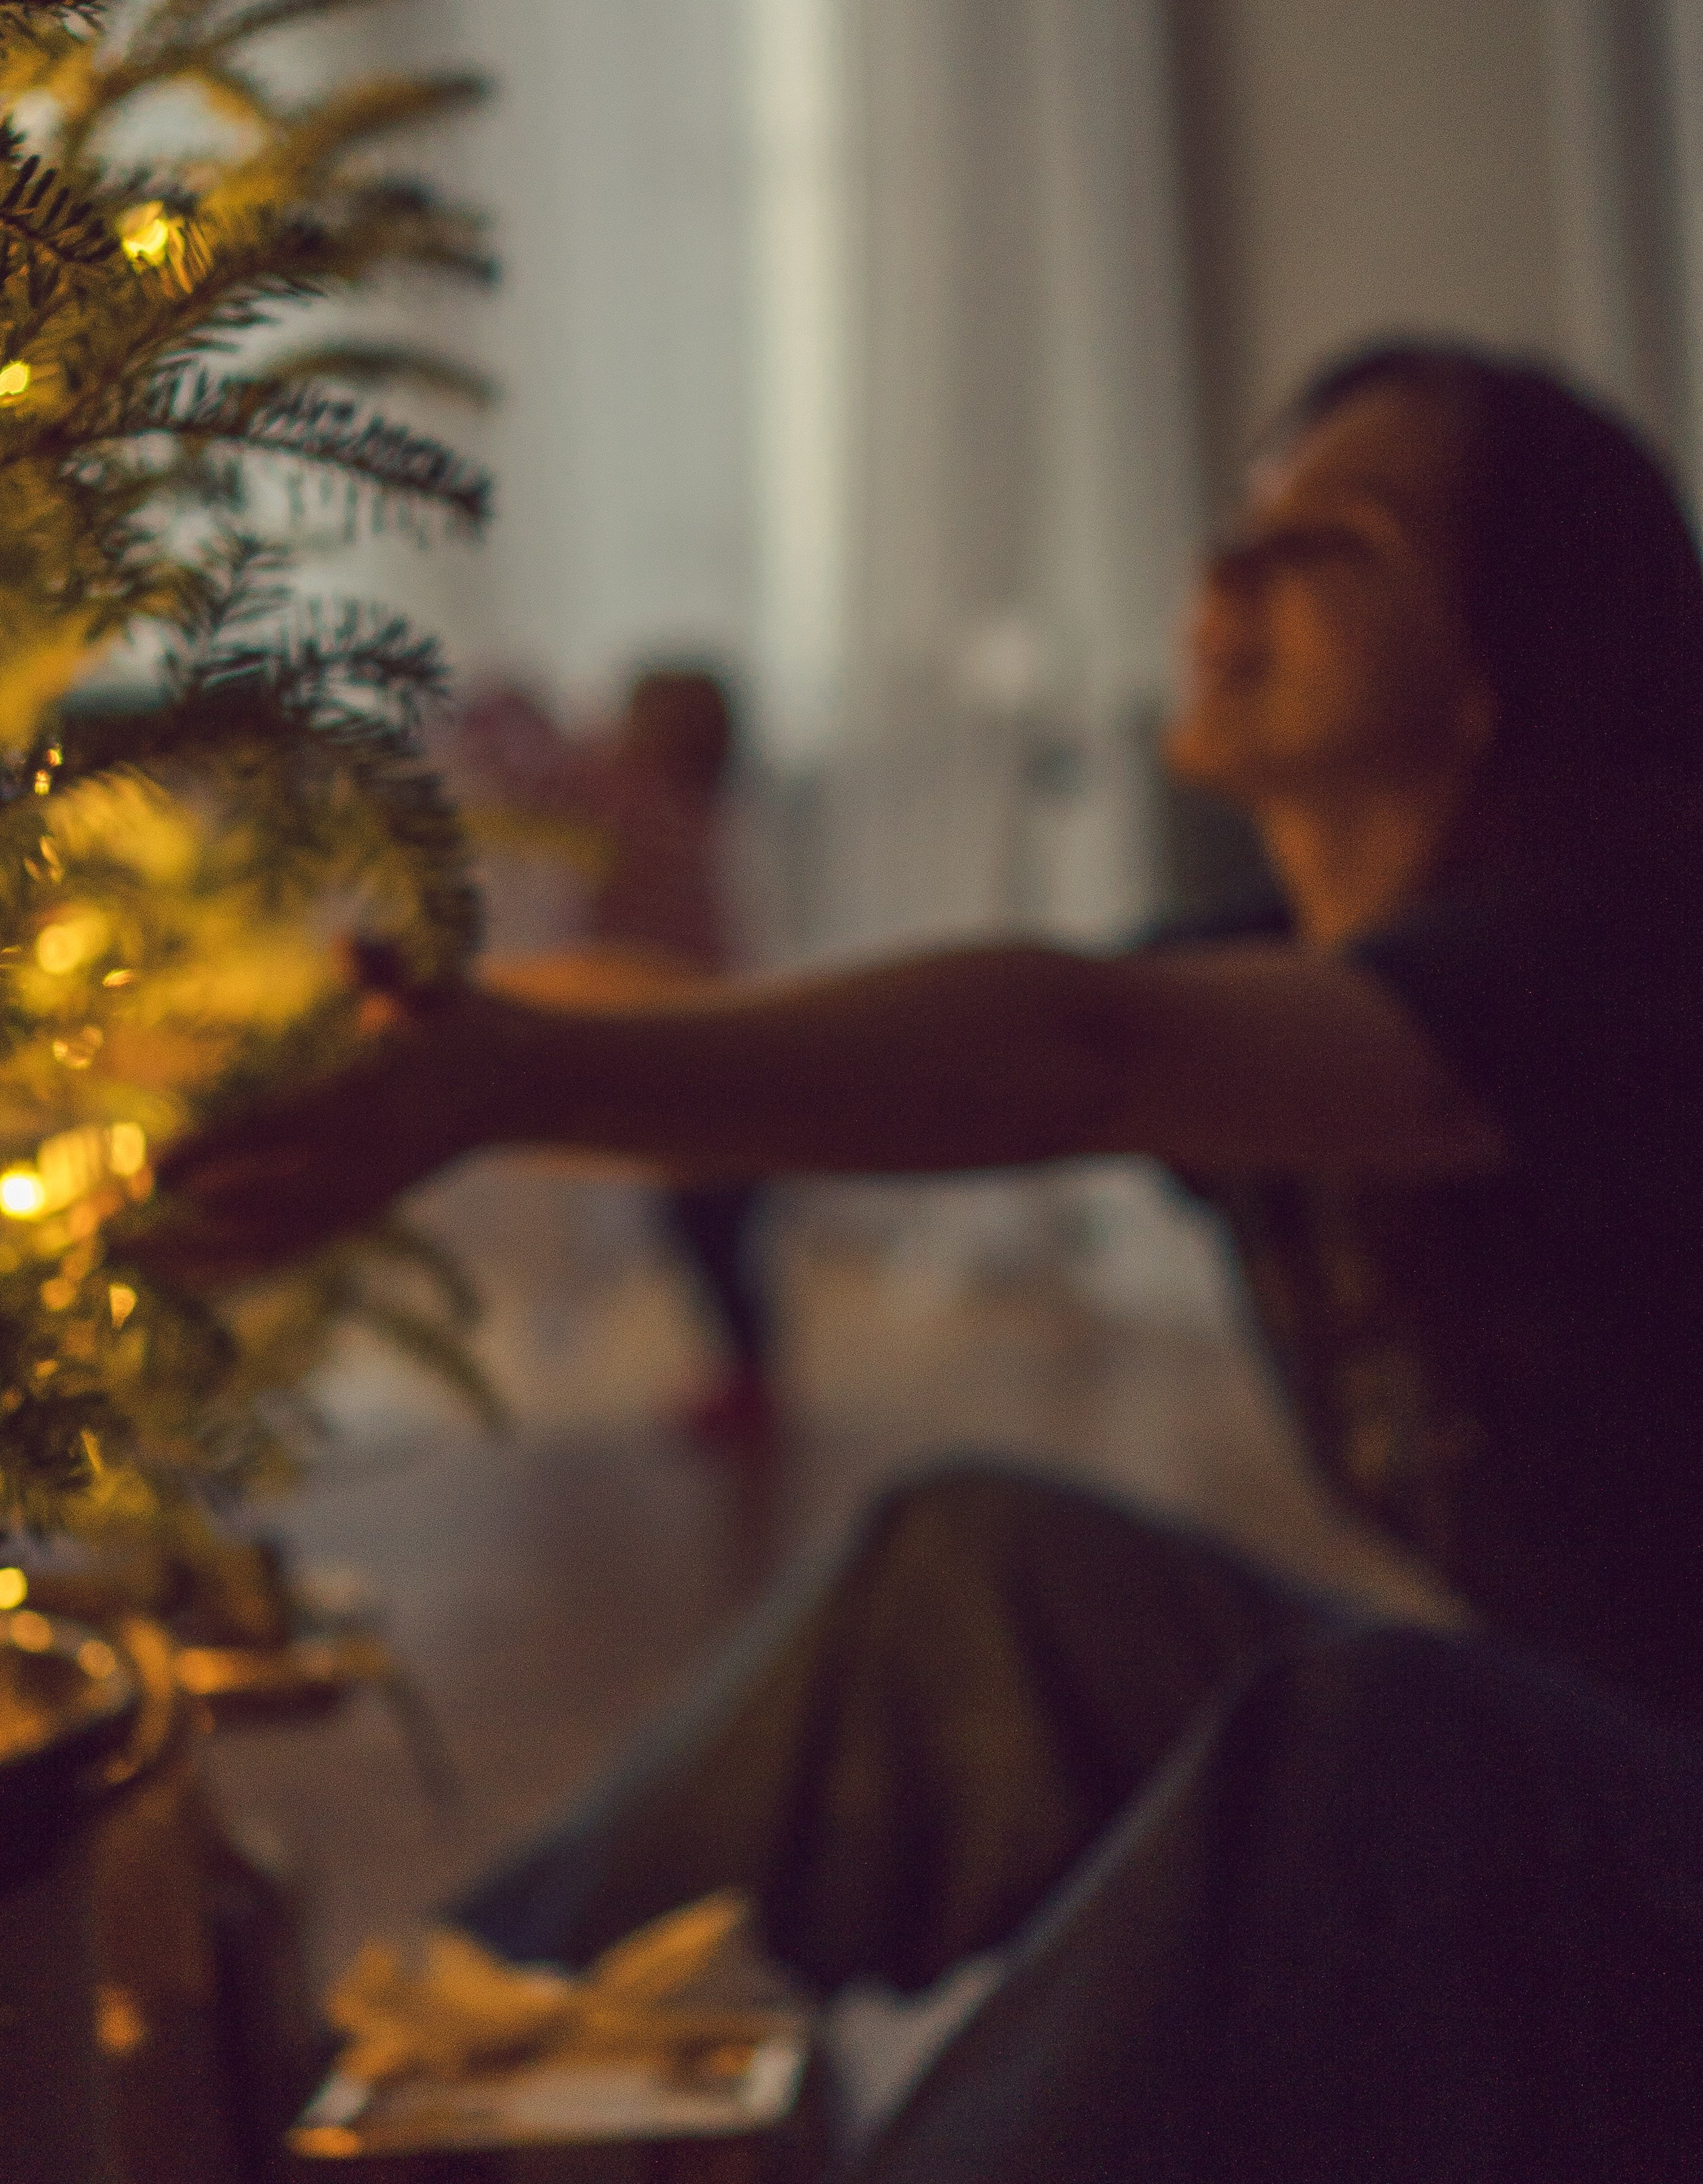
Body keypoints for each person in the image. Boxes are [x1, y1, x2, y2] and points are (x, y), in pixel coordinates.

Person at [148, 341, 1703, 2174]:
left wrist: (509, 1078)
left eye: (1329, 542)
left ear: (1503, 668)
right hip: (1613, 1781)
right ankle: (373, 2086)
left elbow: (1083, 1051)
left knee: (1388, 1753)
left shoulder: (1614, 964)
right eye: (1242, 522)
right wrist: (408, 1049)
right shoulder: (1282, 970)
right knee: (979, 1575)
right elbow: (768, 1035)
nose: (1225, 573)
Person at [448, 662, 782, 1444]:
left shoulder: (633, 797)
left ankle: (748, 1384)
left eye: (629, 715)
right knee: (717, 1237)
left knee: (709, 1234)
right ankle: (747, 1378)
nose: (611, 725)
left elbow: (531, 781)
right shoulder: (690, 804)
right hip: (718, 1041)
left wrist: (501, 705)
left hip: (692, 1048)